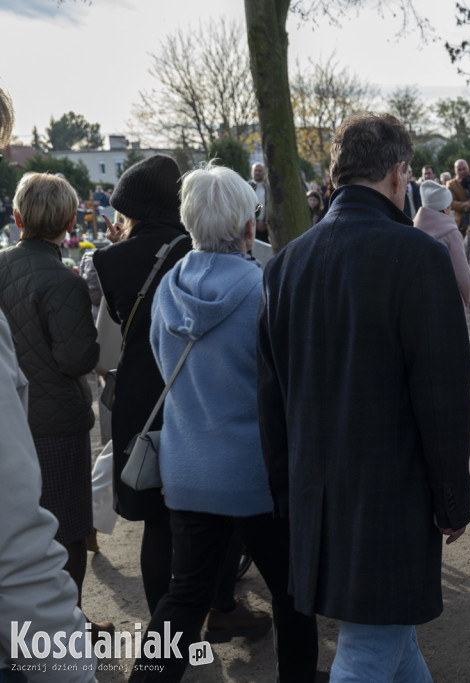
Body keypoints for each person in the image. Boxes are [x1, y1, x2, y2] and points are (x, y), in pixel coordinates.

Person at [259, 113, 470, 681]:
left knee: (390, 641)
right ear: (399, 174)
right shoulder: (418, 256)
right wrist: (452, 497)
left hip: (315, 489)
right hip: (390, 493)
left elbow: (270, 399)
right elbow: (444, 396)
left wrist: (286, 494)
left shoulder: (285, 264)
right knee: (369, 649)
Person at [130, 165, 318, 682]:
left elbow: (162, 364)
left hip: (188, 469)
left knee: (184, 597)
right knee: (291, 593)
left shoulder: (167, 288)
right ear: (249, 227)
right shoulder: (265, 290)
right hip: (258, 476)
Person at [93, 155, 269, 639]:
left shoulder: (118, 262)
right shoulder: (222, 257)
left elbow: (112, 343)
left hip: (149, 404)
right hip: (214, 404)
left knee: (159, 529)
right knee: (224, 516)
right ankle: (223, 609)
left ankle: (168, 640)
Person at [0, 172, 112, 636]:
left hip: (10, 417)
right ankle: (69, 625)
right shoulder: (64, 281)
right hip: (57, 424)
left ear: (17, 216)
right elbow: (77, 358)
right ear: (69, 223)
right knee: (66, 528)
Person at [413, 180, 470, 306]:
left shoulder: (412, 230)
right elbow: (462, 275)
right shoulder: (451, 234)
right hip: (447, 300)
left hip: (418, 301)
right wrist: (467, 298)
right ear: (445, 209)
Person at [249, 162, 268, 241]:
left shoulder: (268, 188)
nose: (257, 173)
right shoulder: (247, 187)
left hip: (266, 226)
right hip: (250, 224)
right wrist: (255, 222)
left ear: (264, 172)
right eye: (255, 170)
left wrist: (265, 222)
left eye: (259, 171)